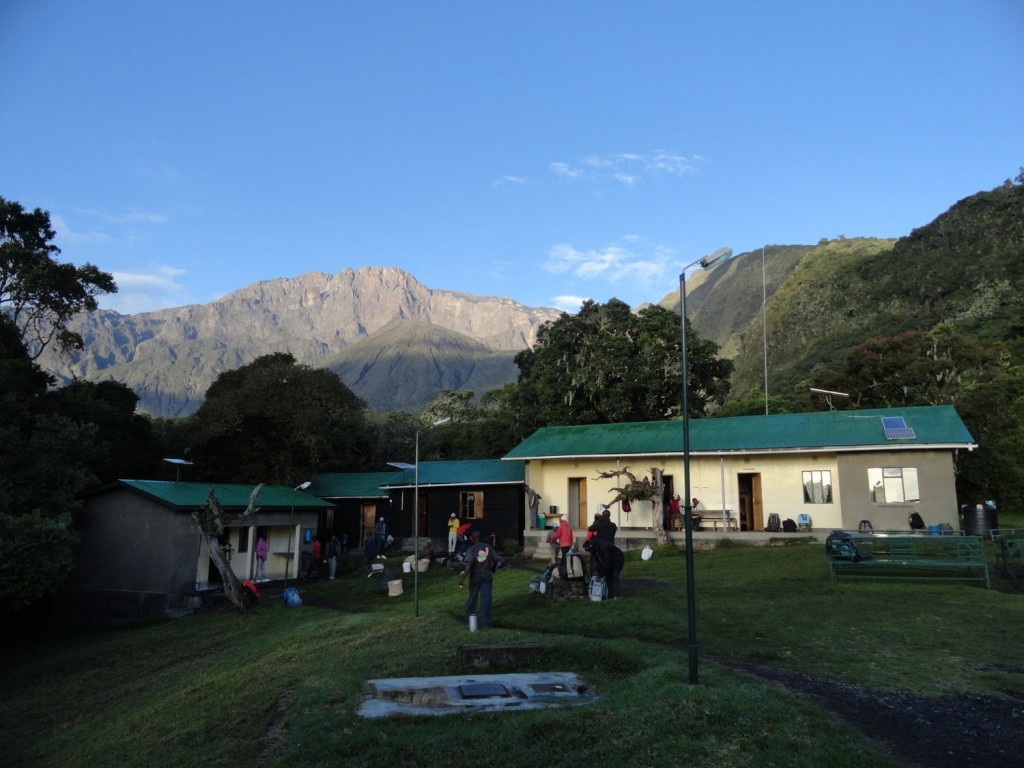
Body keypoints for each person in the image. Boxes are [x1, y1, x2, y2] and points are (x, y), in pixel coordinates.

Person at [458, 530, 495, 628]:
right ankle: (485, 622)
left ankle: (468, 618)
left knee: (473, 596)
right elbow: (496, 559)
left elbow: (469, 564)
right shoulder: (489, 547)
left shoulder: (471, 549)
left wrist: (463, 577)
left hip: (475, 577)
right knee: (486, 598)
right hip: (487, 576)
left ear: (472, 538)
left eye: (470, 537)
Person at [553, 514, 575, 579]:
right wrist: (571, 544)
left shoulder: (561, 526)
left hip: (563, 544)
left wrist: (553, 540)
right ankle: (566, 569)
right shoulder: (569, 527)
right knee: (566, 557)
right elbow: (571, 536)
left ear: (562, 520)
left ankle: (563, 571)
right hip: (568, 544)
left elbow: (558, 535)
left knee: (564, 557)